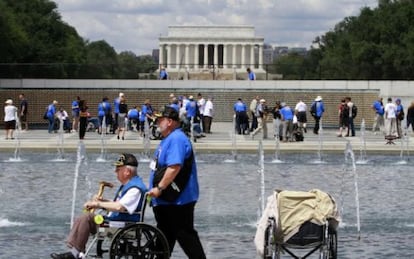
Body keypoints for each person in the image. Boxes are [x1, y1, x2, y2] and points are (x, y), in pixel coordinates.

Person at [50, 153, 148, 259]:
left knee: (87, 217)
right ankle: (76, 251)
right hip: (116, 221)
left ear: (127, 171)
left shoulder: (135, 188)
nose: (115, 171)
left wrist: (97, 204)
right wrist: (103, 202)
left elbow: (120, 207)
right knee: (84, 217)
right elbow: (119, 204)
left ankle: (75, 253)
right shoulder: (129, 185)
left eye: (118, 169)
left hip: (122, 225)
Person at [148, 106, 206, 259]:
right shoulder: (169, 139)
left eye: (161, 120)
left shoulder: (176, 138)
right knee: (163, 243)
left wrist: (159, 188)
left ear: (170, 121)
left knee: (186, 238)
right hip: (167, 201)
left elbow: (174, 167)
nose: (157, 123)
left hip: (177, 202)